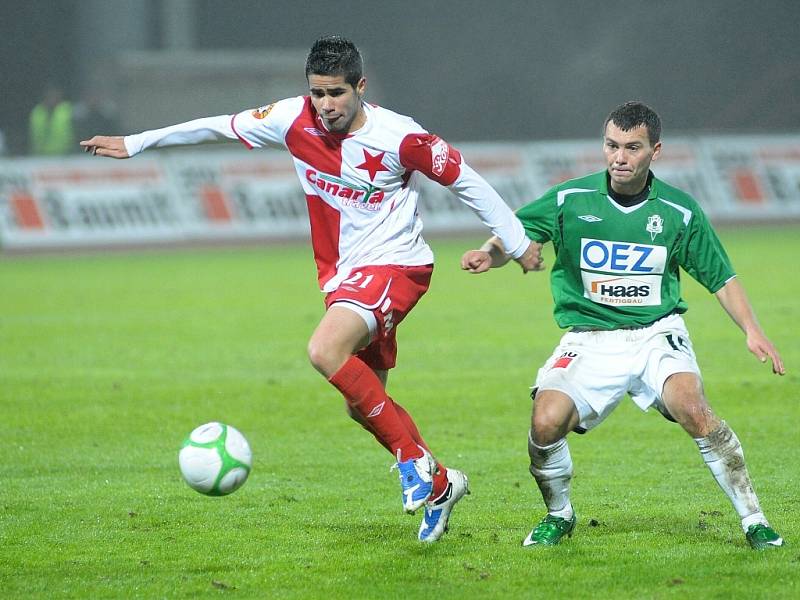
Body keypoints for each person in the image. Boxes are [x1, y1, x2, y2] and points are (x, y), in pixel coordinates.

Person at [81, 35, 540, 543]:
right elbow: (218, 126)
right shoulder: (290, 118)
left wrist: (517, 244)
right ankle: (440, 484)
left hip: (397, 266)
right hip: (344, 277)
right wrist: (137, 142)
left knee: (324, 350)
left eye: (337, 94)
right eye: (318, 93)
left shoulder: (400, 137)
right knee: (360, 403)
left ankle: (414, 463)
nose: (326, 106)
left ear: (360, 87)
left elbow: (466, 179)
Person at [461, 101, 785, 550]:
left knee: (693, 408)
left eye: (632, 147)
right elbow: (516, 234)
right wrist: (489, 255)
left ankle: (755, 521)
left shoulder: (678, 211)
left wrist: (752, 330)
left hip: (657, 333)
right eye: (612, 145)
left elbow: (721, 278)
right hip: (589, 338)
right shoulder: (570, 199)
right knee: (545, 421)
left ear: (656, 151)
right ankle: (560, 514)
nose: (619, 157)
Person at [29, 84, 75, 155]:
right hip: (40, 155)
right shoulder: (37, 112)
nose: (51, 97)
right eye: (49, 95)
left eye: (54, 95)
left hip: (64, 154)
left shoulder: (67, 109)